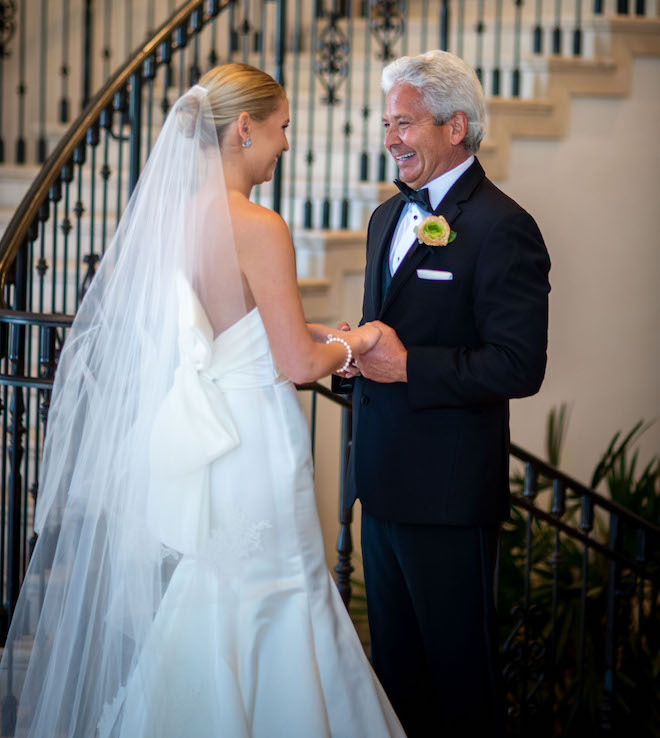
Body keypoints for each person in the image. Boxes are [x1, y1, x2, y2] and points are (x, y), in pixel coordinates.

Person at [0, 64, 406, 737]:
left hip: (215, 442)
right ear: (243, 128)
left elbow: (228, 327)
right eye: (280, 130)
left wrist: (311, 331)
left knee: (217, 593)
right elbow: (297, 366)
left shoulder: (177, 220)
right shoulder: (260, 225)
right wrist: (360, 340)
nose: (284, 146)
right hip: (256, 446)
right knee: (283, 595)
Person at [333, 50, 551, 736]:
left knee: (461, 687)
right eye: (388, 122)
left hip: (450, 501)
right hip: (383, 486)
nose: (391, 137)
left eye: (405, 122)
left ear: (456, 127)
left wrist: (408, 367)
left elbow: (518, 366)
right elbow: (391, 335)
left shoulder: (502, 226)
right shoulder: (380, 222)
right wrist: (358, 352)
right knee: (397, 685)